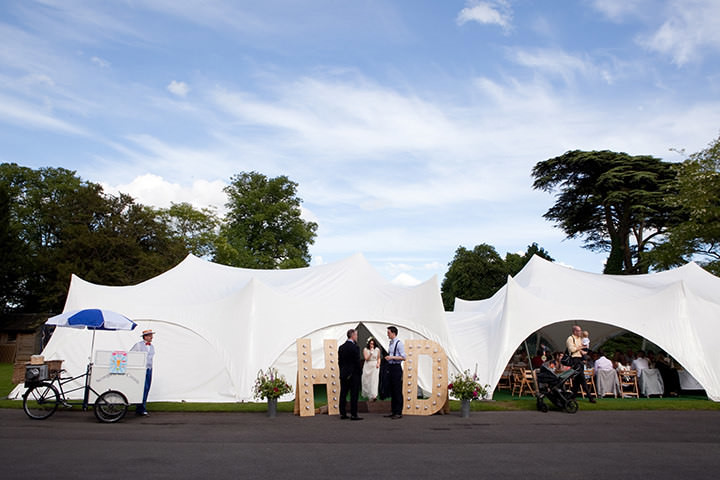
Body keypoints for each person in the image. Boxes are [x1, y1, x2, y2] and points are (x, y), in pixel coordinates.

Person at [566, 325, 596, 403]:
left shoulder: (580, 339)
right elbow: (571, 349)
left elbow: (581, 350)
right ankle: (590, 397)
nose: (581, 332)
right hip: (574, 360)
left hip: (580, 360)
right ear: (575, 331)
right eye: (579, 331)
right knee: (582, 379)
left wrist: (584, 351)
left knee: (577, 380)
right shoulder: (570, 339)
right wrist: (580, 347)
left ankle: (572, 396)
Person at [338, 329, 363, 420]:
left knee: (343, 393)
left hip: (344, 373)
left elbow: (340, 362)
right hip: (353, 374)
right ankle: (353, 414)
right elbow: (357, 362)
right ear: (352, 336)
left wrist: (342, 371)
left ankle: (343, 413)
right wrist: (359, 372)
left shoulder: (341, 347)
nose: (357, 337)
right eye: (356, 335)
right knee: (354, 394)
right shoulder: (355, 347)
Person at [130, 329, 155, 416]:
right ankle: (140, 408)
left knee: (147, 388)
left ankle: (141, 407)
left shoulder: (152, 346)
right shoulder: (138, 345)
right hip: (141, 369)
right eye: (150, 335)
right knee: (142, 388)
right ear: (145, 337)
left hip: (149, 369)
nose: (152, 337)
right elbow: (131, 355)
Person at [384, 326, 406, 419]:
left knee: (397, 390)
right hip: (391, 367)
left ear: (393, 333)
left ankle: (398, 412)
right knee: (392, 390)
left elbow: (404, 357)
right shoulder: (391, 343)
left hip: (396, 367)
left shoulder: (399, 343)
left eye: (388, 332)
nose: (387, 334)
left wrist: (392, 357)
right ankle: (393, 411)